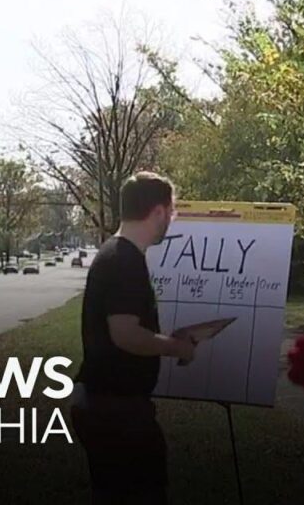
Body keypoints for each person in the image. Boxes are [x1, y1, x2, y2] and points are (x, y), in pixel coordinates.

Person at [71, 172, 197, 505]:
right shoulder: (124, 261)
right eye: (172, 212)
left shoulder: (116, 253)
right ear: (157, 212)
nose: (172, 219)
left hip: (105, 405)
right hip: (116, 411)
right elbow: (124, 334)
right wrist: (175, 347)